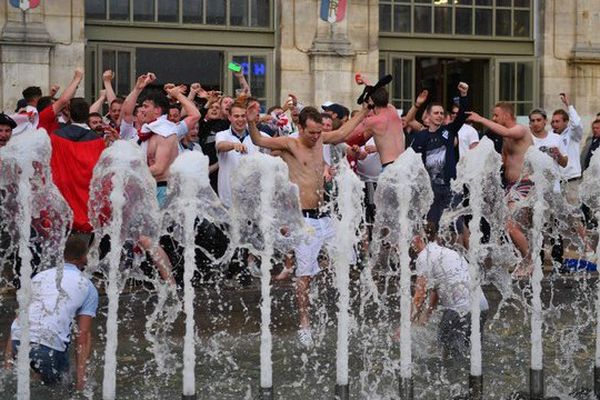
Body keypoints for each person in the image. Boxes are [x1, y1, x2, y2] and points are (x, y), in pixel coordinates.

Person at [246, 103, 369, 348]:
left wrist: (365, 110)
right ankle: (305, 323)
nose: (315, 137)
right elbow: (259, 140)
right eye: (311, 132)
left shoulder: (321, 139)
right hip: (302, 220)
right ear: (300, 127)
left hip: (325, 216)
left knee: (347, 258)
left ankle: (344, 314)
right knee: (305, 275)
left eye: (317, 132)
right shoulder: (290, 143)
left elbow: (343, 134)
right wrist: (251, 122)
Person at [4, 233, 98, 390]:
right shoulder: (87, 286)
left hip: (18, 342)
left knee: (36, 382)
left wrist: (7, 367)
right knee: (62, 390)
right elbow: (83, 336)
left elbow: (19, 320)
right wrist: (81, 384)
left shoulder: (39, 277)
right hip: (47, 349)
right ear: (84, 257)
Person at [467, 103, 533, 274]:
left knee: (510, 225)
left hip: (525, 184)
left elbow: (506, 131)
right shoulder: (506, 139)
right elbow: (503, 161)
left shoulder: (521, 130)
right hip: (511, 186)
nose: (494, 119)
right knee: (516, 226)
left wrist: (481, 119)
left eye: (496, 115)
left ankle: (528, 261)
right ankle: (525, 260)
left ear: (506, 115)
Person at [120, 73, 200, 207]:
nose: (141, 110)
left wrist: (178, 95)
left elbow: (159, 168)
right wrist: (137, 89)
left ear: (157, 111)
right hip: (147, 189)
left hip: (163, 190)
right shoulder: (146, 131)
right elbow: (126, 113)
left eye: (146, 107)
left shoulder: (166, 131)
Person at [411, 224, 489, 359]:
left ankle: (455, 376)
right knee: (472, 354)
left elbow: (419, 296)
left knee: (448, 356)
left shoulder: (424, 257)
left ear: (417, 239)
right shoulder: (445, 252)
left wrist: (405, 326)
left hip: (460, 310)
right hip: (482, 306)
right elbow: (435, 292)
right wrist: (424, 318)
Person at [410, 82, 469, 228]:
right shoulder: (421, 136)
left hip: (451, 187)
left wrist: (464, 95)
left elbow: (462, 115)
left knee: (455, 226)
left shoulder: (449, 131)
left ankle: (457, 251)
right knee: (431, 225)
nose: (440, 115)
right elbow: (415, 162)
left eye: (442, 113)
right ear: (428, 116)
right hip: (431, 188)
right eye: (436, 113)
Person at [345, 87, 405, 169]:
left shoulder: (372, 121)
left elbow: (346, 134)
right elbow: (380, 97)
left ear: (370, 102)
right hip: (404, 165)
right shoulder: (392, 111)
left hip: (389, 167)